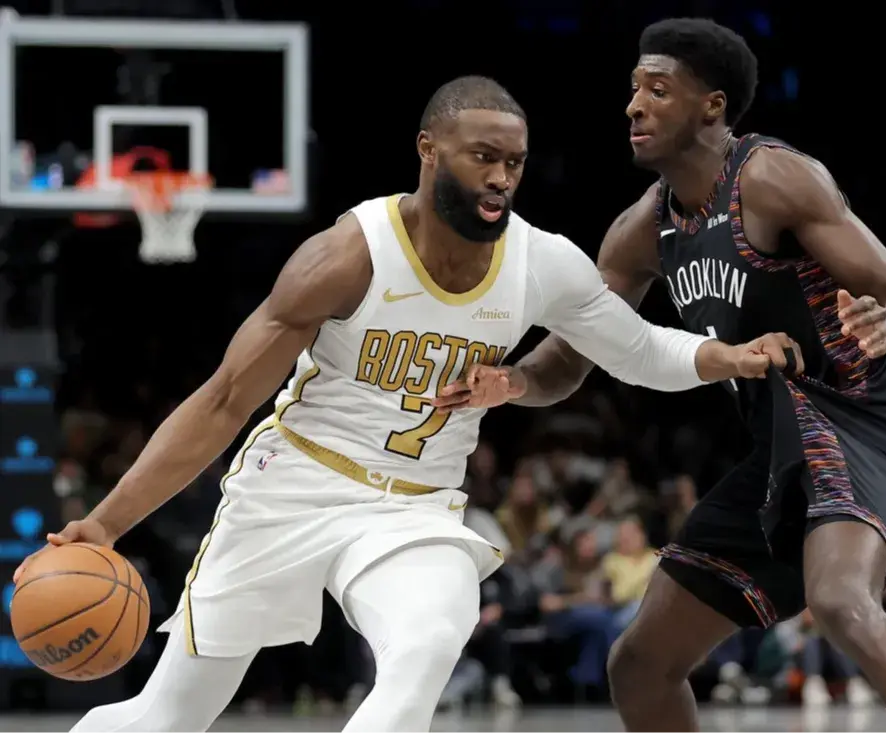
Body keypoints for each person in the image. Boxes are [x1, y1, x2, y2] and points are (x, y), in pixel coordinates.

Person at [15, 75, 798, 733]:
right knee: (168, 715)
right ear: (429, 151)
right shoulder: (347, 256)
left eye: (514, 163)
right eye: (483, 156)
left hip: (414, 509)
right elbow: (222, 401)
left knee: (424, 648)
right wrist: (107, 523)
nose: (501, 177)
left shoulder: (540, 261)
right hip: (293, 487)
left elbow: (636, 348)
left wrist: (722, 356)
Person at [432, 20, 886, 733]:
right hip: (778, 456)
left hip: (865, 428)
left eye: (658, 90)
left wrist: (885, 326)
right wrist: (511, 382)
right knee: (639, 663)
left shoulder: (772, 178)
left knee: (842, 603)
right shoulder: (641, 230)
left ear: (712, 106)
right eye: (633, 89)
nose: (634, 105)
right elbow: (566, 361)